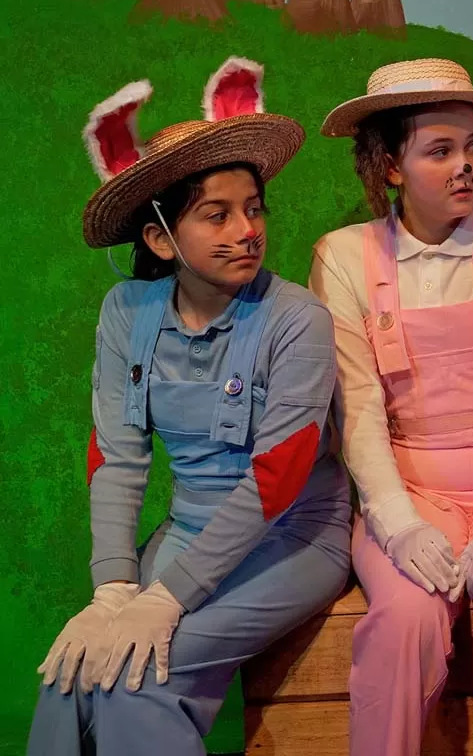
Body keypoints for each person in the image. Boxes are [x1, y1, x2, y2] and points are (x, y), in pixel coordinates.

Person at [28, 57, 351, 756]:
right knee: (70, 676)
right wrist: (114, 588)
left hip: (292, 537)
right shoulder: (127, 311)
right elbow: (116, 457)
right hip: (188, 529)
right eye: (217, 215)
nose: (248, 229)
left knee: (135, 679)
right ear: (159, 238)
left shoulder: (298, 320)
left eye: (254, 208)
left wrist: (167, 598)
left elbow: (278, 478)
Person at [310, 58, 473, 756]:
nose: (466, 166)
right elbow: (358, 409)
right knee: (404, 620)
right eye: (439, 150)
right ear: (390, 167)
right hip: (411, 491)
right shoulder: (342, 257)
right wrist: (399, 526)